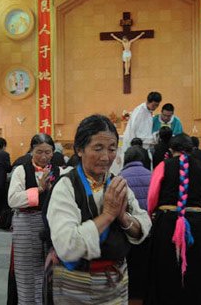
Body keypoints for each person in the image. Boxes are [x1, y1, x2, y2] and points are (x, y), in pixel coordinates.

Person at [48, 115, 150, 304]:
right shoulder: (66, 187)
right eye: (98, 148)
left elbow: (144, 223)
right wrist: (108, 215)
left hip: (117, 280)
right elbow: (67, 246)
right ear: (79, 149)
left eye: (112, 149)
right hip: (76, 283)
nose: (106, 157)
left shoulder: (118, 184)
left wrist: (123, 217)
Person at [147, 134, 201, 304]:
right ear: (192, 149)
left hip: (167, 222)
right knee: (194, 268)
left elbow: (152, 197)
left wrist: (150, 214)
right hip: (196, 223)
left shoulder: (163, 166)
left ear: (170, 149)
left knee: (166, 268)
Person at [7, 133, 61, 305]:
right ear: (31, 151)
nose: (44, 157)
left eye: (48, 152)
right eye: (39, 152)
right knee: (27, 274)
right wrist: (38, 189)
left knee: (50, 273)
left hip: (51, 225)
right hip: (26, 223)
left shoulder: (59, 171)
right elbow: (13, 200)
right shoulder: (22, 170)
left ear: (53, 152)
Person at [120, 146, 152, 303]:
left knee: (130, 268)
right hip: (147, 230)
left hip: (128, 230)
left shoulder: (119, 178)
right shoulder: (151, 175)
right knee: (145, 269)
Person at [119, 91, 162, 171]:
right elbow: (134, 132)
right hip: (135, 146)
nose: (155, 107)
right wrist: (151, 139)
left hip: (143, 146)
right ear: (149, 101)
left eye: (157, 105)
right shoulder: (139, 112)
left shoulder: (148, 112)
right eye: (154, 105)